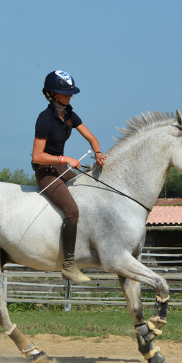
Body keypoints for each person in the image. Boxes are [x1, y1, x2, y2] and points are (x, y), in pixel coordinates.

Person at [32, 70, 107, 283]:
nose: (70, 96)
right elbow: (38, 156)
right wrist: (65, 159)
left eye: (71, 93)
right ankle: (68, 264)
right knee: (72, 210)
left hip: (61, 169)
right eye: (65, 93)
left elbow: (91, 138)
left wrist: (98, 153)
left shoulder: (71, 115)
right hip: (46, 171)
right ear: (52, 94)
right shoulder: (44, 119)